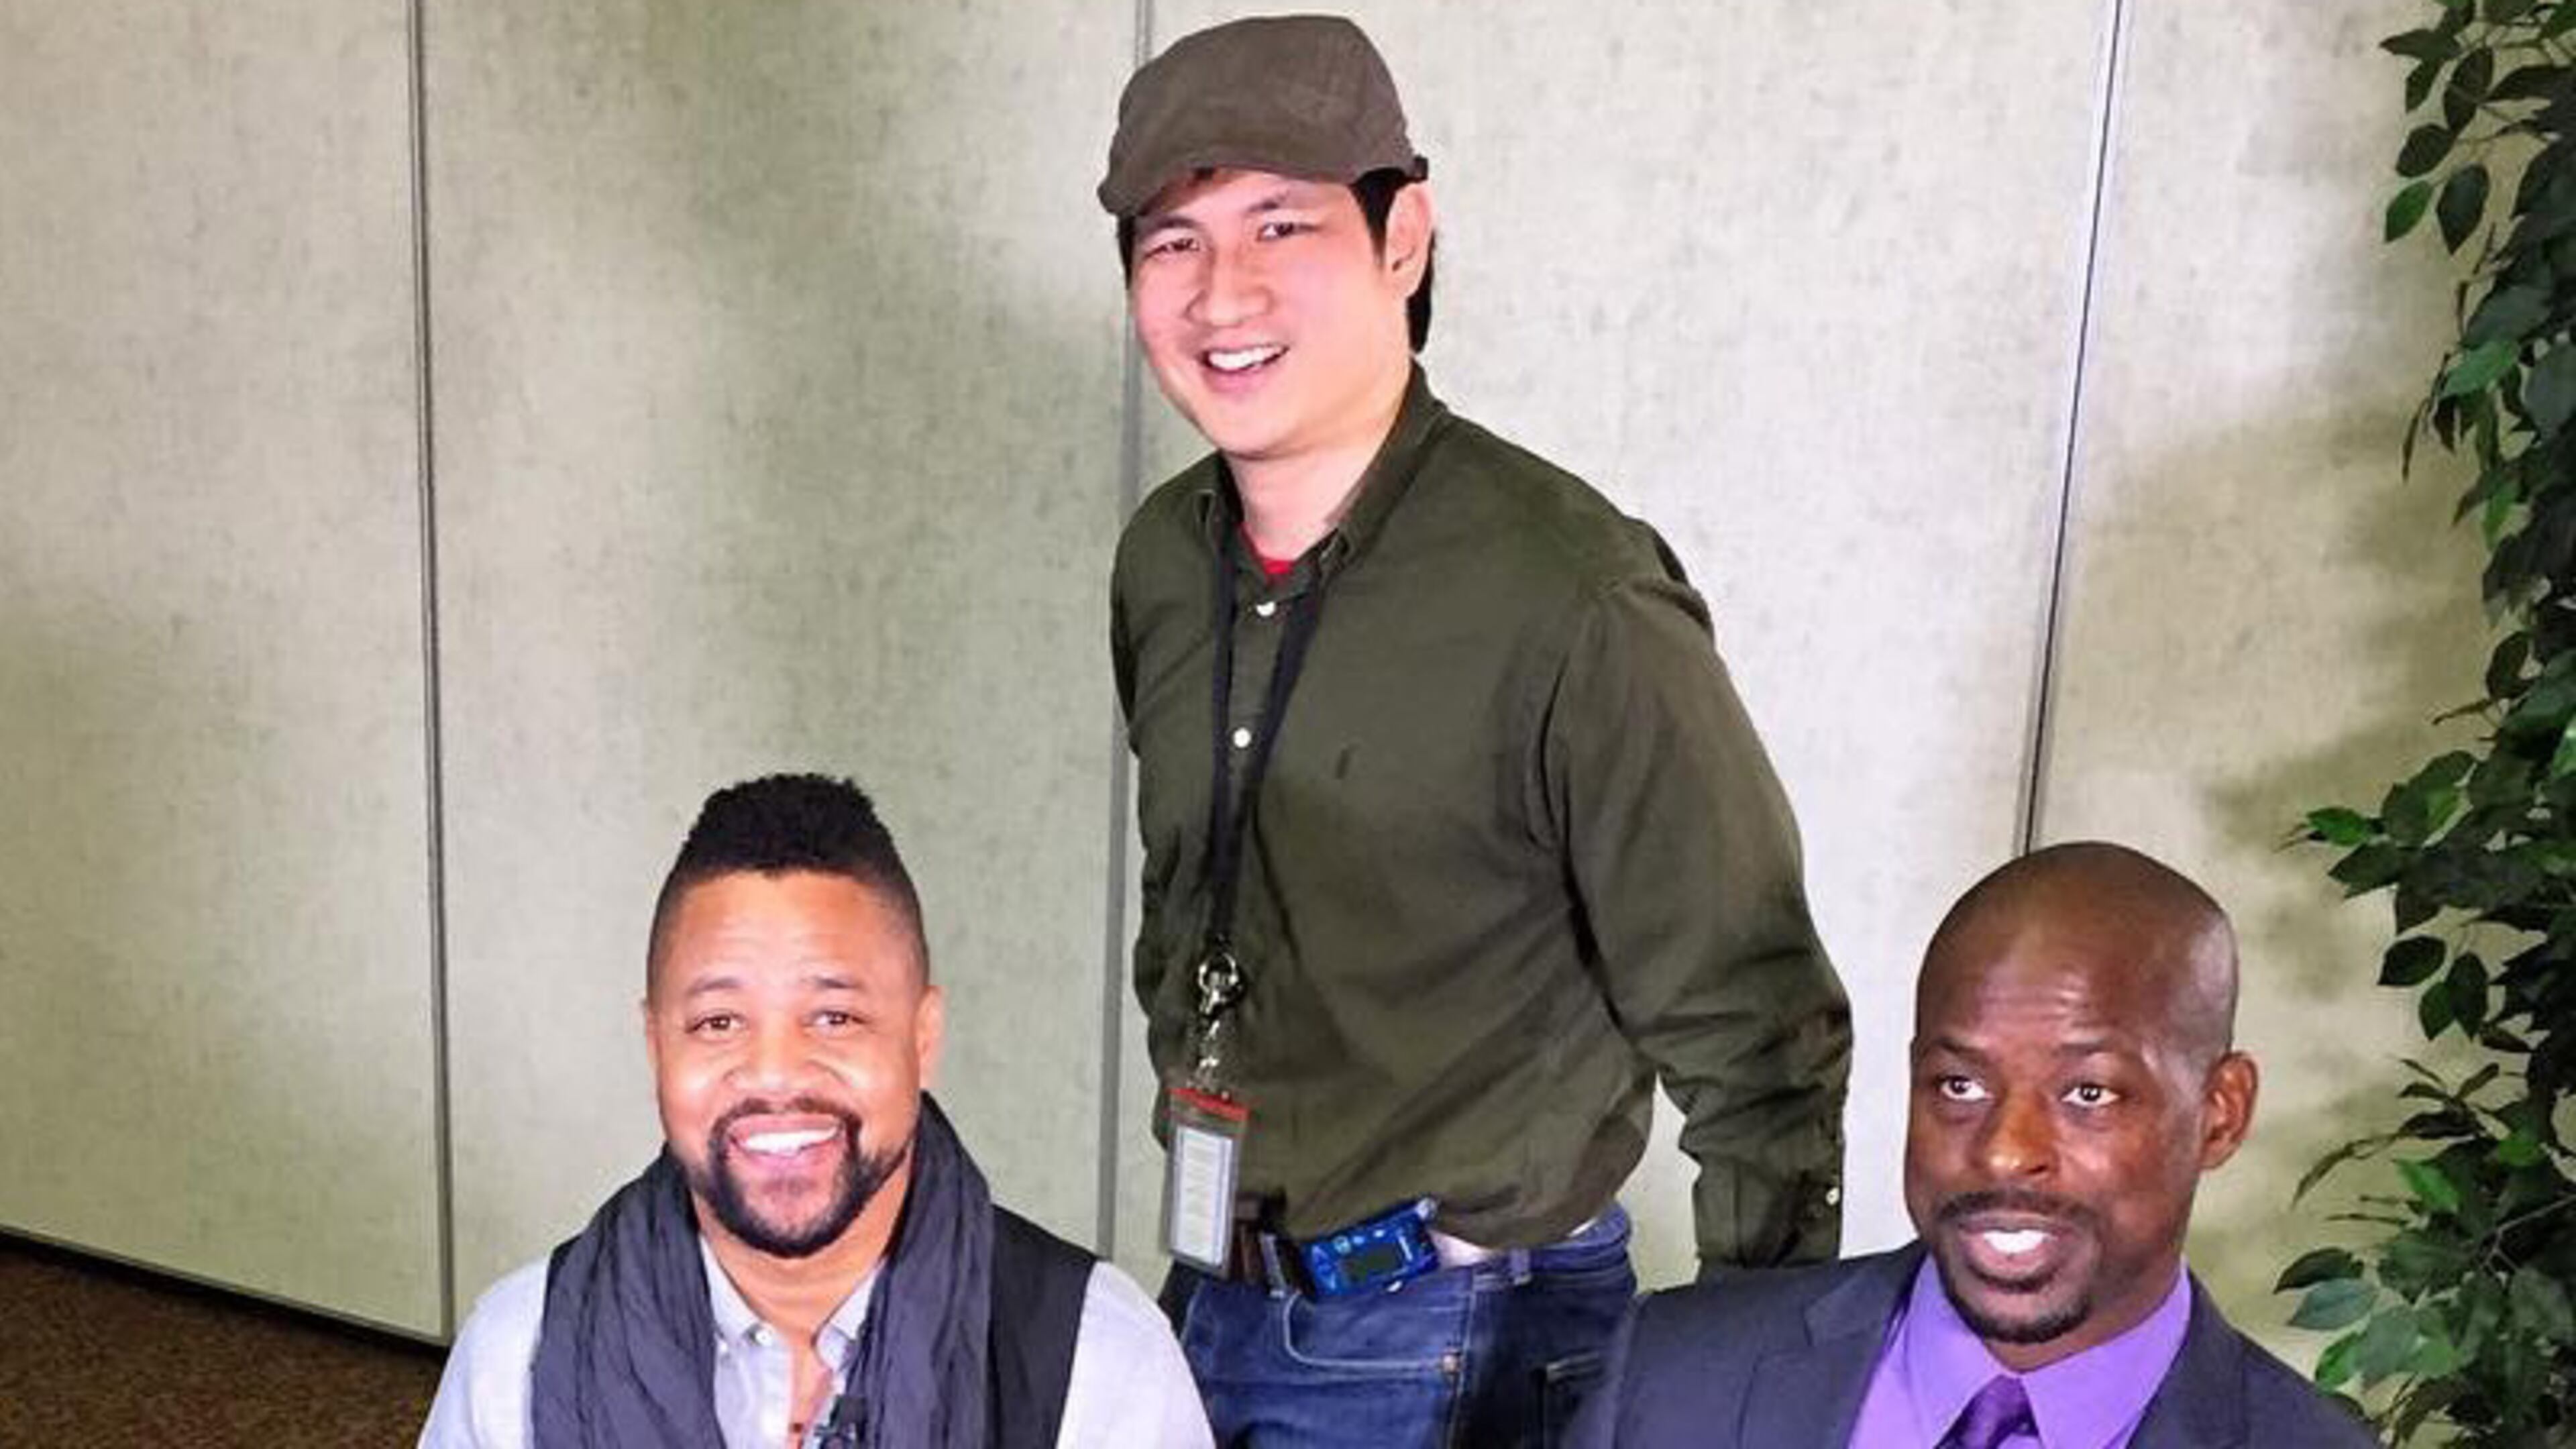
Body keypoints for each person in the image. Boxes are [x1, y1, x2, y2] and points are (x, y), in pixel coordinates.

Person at [1099, 14, 1851, 1443]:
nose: (1222, 291)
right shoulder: (1161, 560)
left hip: (1469, 1341)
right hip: (1215, 1301)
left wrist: (1756, 1390)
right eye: (1172, 241)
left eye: (1279, 224)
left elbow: (1764, 1041)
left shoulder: (1574, 597)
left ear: (1405, 239)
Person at [419, 773, 1210, 1449]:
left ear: (921, 1036)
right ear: (658, 1046)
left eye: (834, 1017)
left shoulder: (1098, 1363)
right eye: (717, 1023)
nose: (774, 1073)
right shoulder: (519, 1353)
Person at [1576, 841, 2377, 1448]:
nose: (2003, 1151)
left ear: (2221, 1112)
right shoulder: (1669, 1378)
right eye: (1960, 1086)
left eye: (2087, 1093)